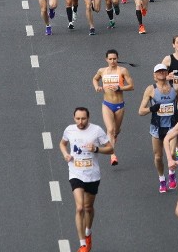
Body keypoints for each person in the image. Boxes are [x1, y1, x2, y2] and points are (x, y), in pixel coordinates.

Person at [59, 107, 114, 252]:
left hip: (92, 175)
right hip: (76, 173)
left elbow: (110, 149)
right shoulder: (69, 130)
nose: (80, 121)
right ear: (74, 118)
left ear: (88, 118)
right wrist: (65, 154)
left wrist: (96, 149)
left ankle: (88, 233)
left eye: (83, 118)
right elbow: (62, 143)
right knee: (79, 207)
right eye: (77, 118)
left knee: (88, 208)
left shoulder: (96, 131)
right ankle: (83, 243)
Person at [138, 63, 178, 193]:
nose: (161, 73)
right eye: (159, 72)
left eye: (163, 71)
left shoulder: (175, 88)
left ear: (167, 72)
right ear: (154, 76)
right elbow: (140, 111)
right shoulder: (151, 89)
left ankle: (172, 174)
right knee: (158, 156)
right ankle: (162, 179)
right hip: (157, 127)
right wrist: (152, 109)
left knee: (173, 152)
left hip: (172, 126)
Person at [92, 49, 134, 166]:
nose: (112, 61)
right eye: (110, 59)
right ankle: (113, 155)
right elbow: (95, 79)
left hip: (119, 105)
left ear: (117, 58)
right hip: (107, 104)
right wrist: (97, 87)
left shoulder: (123, 71)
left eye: (114, 59)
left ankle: (115, 136)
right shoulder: (102, 71)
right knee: (110, 129)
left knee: (116, 131)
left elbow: (131, 86)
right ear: (106, 59)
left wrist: (120, 88)